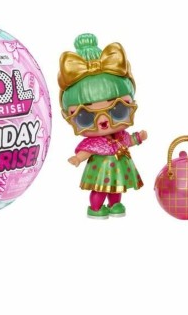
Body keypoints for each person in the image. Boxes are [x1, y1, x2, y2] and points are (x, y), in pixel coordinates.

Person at [58, 33, 147, 218]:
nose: (104, 122)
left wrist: (138, 137)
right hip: (100, 170)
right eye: (85, 117)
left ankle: (115, 205)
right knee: (99, 189)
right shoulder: (95, 143)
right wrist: (78, 159)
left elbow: (128, 140)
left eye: (118, 110)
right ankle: (96, 208)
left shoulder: (120, 136)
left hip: (119, 168)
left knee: (117, 188)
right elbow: (87, 151)